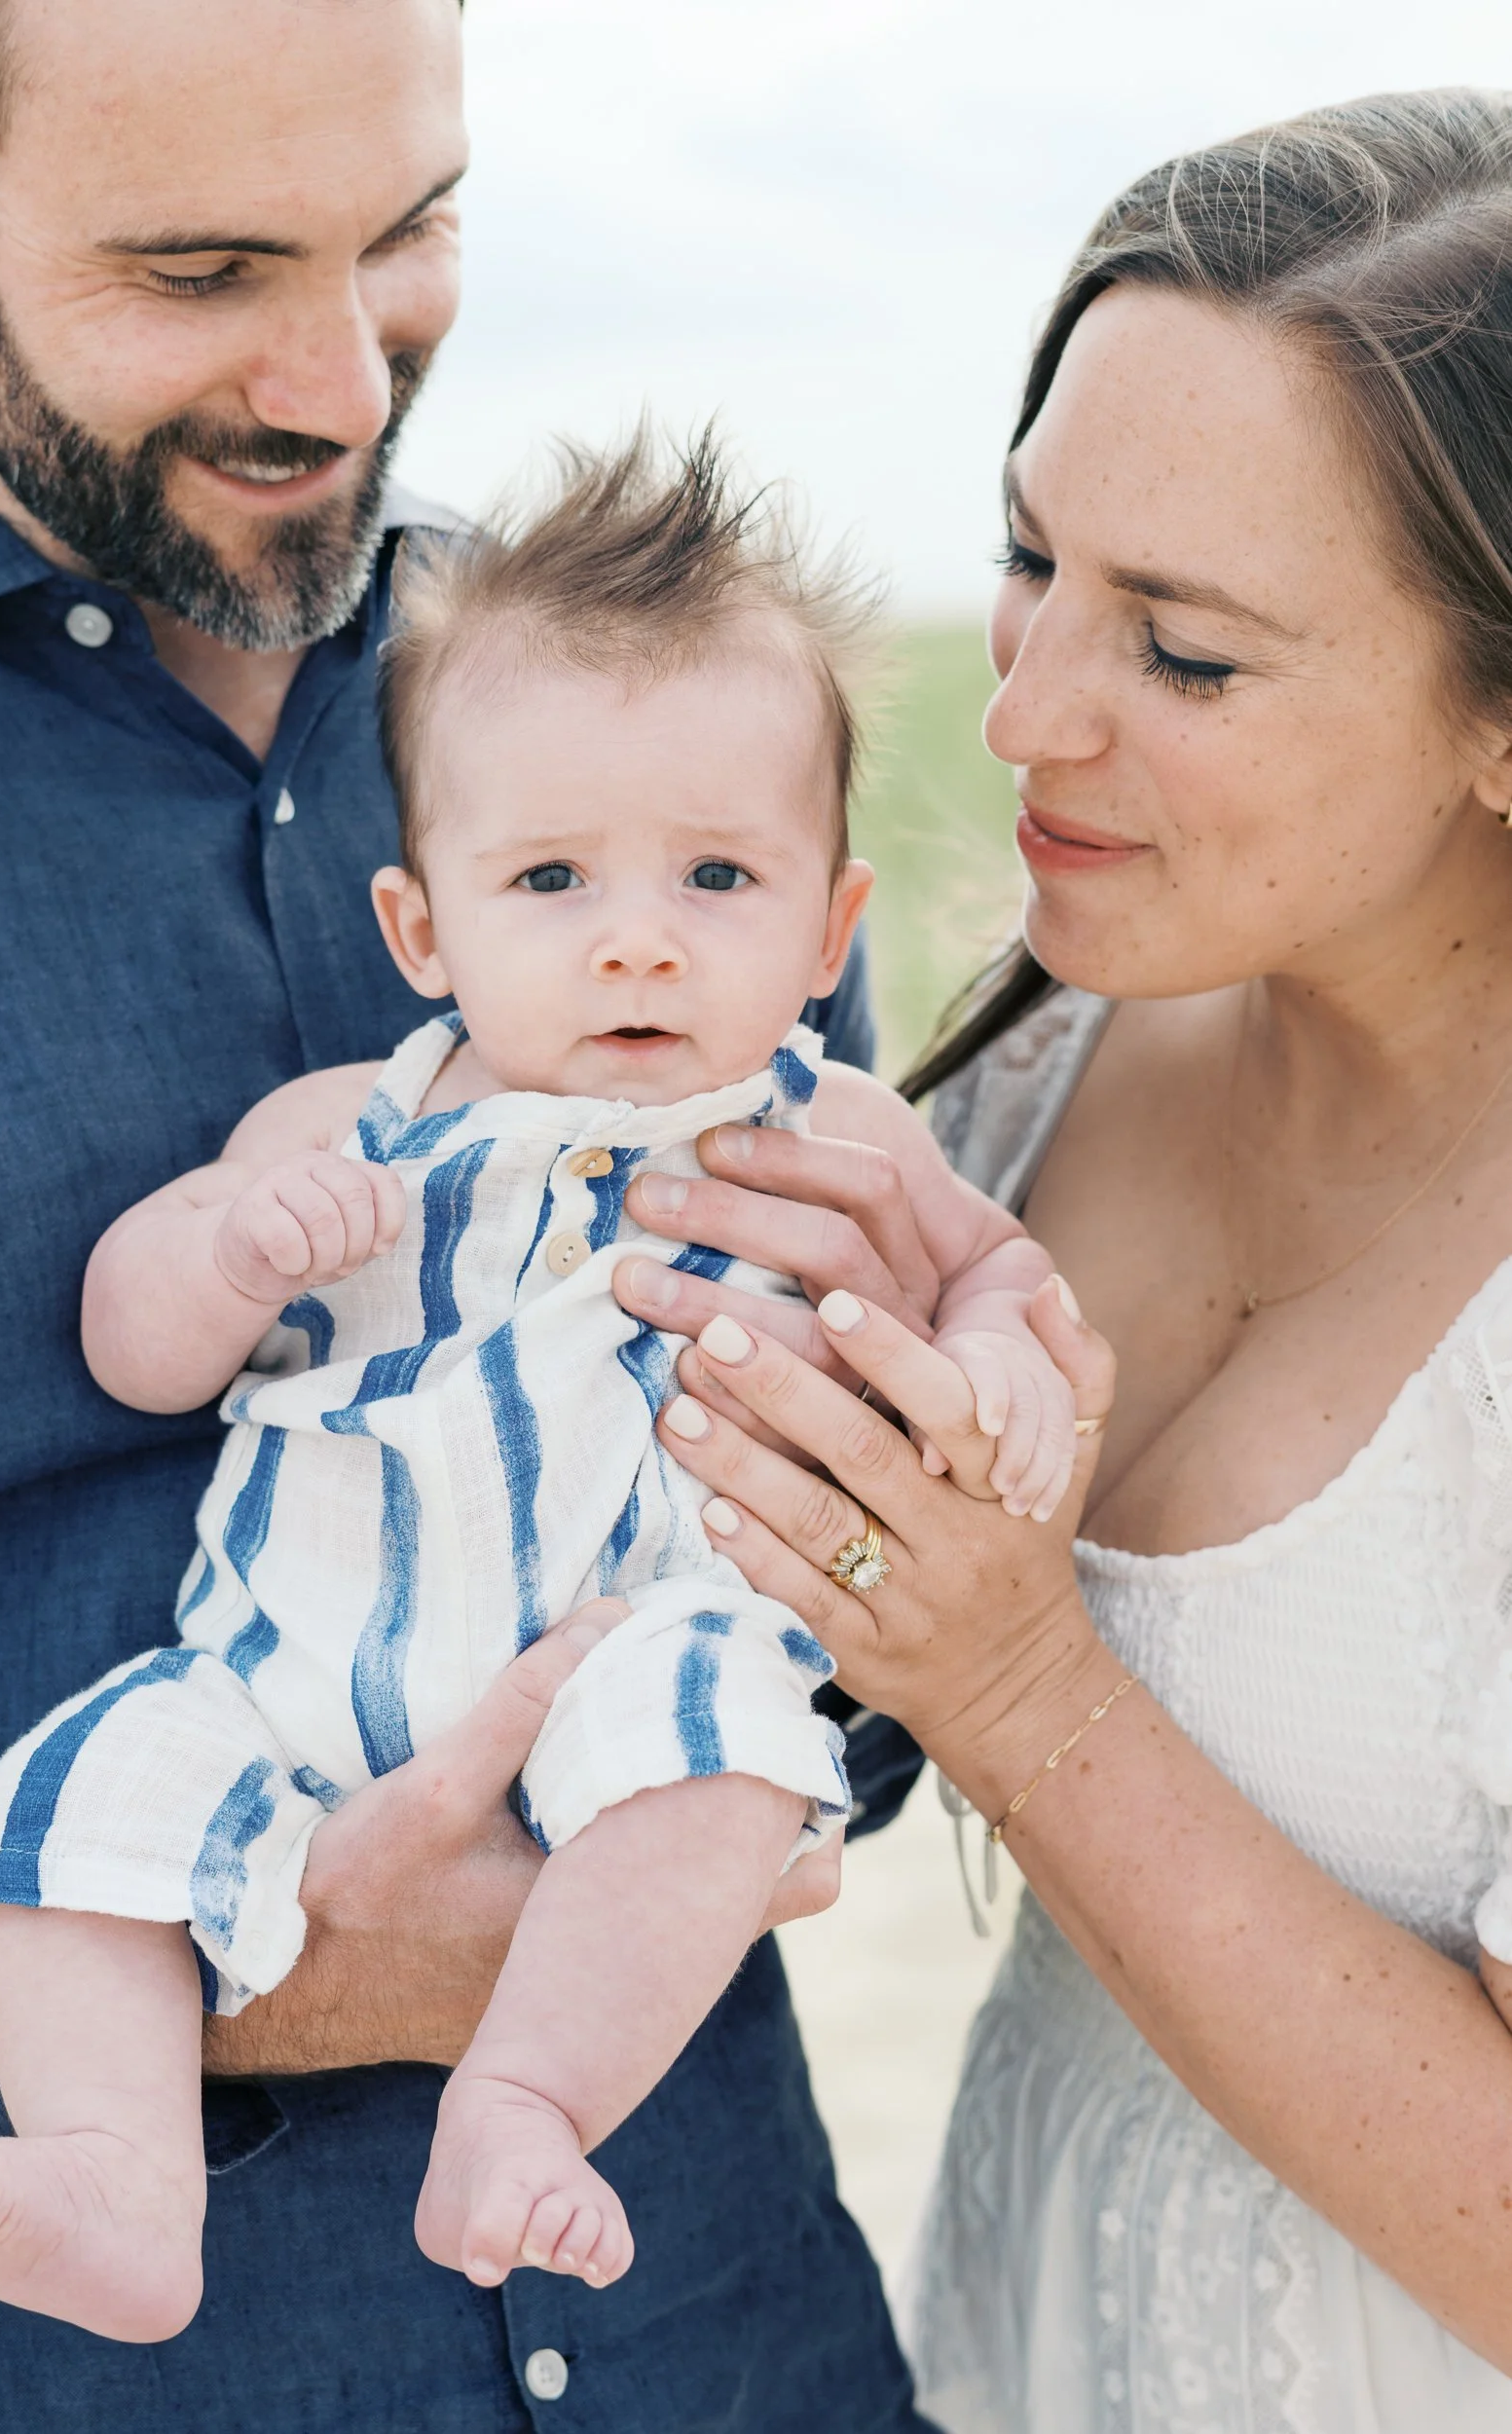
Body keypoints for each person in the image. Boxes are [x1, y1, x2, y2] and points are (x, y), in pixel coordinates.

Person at [0, 4, 927, 2426]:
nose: (345, 387)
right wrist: (191, 1968)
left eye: (409, 231)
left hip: (726, 2336)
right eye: (201, 267)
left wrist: (875, 1625)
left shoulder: (665, 735)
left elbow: (837, 1537)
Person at [0, 434, 1081, 2339]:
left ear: (828, 930)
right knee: (64, 1814)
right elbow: (130, 1337)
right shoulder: (332, 1129)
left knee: (724, 1759)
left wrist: (1005, 1343)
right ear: (421, 928)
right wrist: (231, 1252)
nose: (636, 932)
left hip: (629, 1641)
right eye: (549, 875)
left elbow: (991, 1261)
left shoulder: (819, 1120)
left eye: (715, 872)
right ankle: (120, 2179)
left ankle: (526, 2099)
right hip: (277, 1674)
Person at [603, 86, 1512, 2434]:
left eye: (1182, 655)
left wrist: (1019, 1686)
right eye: (1029, 562)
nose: (1016, 717)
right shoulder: (1036, 1058)